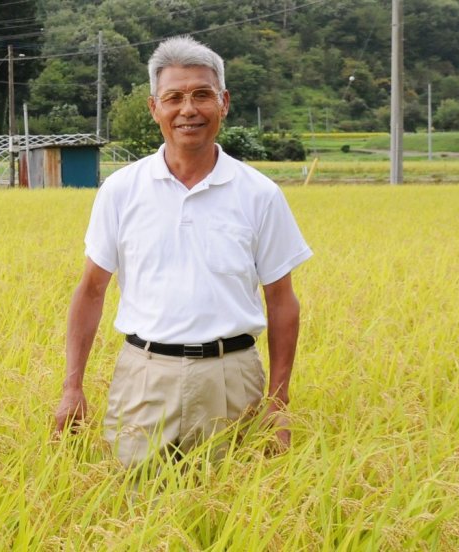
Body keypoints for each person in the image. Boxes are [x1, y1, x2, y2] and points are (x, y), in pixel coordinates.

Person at [53, 36, 312, 467]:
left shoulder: (259, 194)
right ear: (155, 108)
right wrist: (72, 387)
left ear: (223, 103)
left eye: (201, 95)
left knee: (234, 515)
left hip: (232, 378)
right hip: (143, 377)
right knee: (132, 508)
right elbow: (92, 291)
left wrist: (279, 401)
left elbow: (282, 301)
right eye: (173, 97)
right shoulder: (121, 190)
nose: (188, 109)